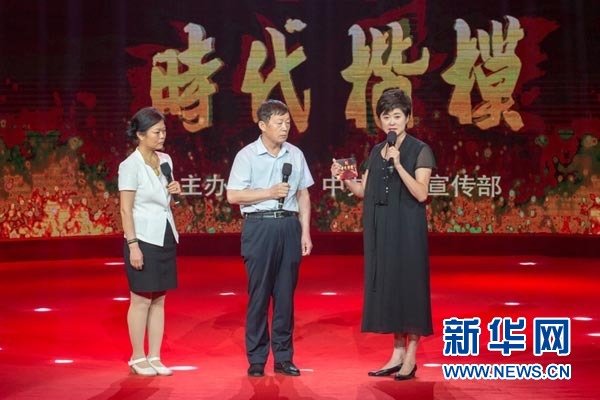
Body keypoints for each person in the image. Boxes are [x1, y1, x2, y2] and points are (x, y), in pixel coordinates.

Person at [331, 88, 435, 380]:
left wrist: (398, 164)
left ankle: (411, 357)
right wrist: (344, 176)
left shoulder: (420, 150)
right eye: (386, 116)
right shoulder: (376, 151)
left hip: (408, 230)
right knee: (390, 287)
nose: (391, 122)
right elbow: (363, 191)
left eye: (397, 116)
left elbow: (421, 193)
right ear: (379, 120)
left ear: (408, 118)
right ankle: (397, 354)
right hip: (381, 230)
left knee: (410, 288)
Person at [227, 99, 314, 377]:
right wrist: (269, 192)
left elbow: (303, 194)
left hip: (289, 226)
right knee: (260, 294)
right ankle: (256, 358)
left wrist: (305, 231)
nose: (285, 127)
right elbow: (233, 195)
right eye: (279, 123)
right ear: (263, 125)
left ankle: (284, 358)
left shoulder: (295, 154)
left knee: (285, 296)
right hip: (259, 226)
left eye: (287, 122)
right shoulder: (247, 156)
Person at [118, 107, 182, 376]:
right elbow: (126, 210)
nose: (162, 136)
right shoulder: (130, 166)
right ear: (140, 135)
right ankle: (137, 356)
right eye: (156, 132)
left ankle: (155, 355)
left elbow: (166, 202)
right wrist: (133, 245)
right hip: (142, 238)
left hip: (165, 234)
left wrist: (175, 191)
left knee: (159, 299)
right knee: (141, 299)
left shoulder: (165, 160)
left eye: (164, 131)